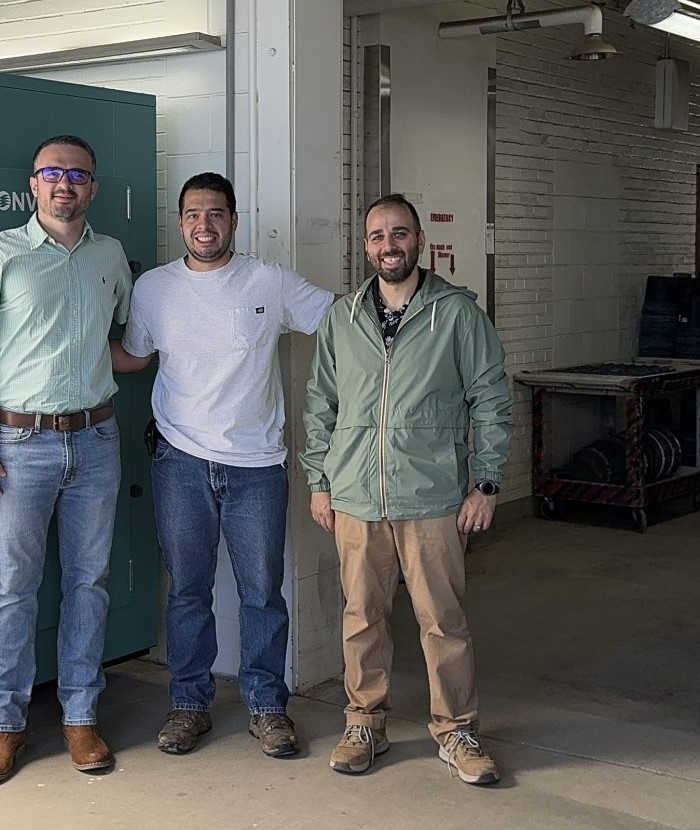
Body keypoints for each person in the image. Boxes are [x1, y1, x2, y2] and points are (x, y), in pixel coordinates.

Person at [112, 172, 334, 759]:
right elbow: (133, 356)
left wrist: (408, 307)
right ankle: (189, 705)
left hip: (257, 465)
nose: (203, 224)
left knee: (262, 591)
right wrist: (66, 344)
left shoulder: (269, 281)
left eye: (215, 213)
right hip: (179, 461)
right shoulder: (154, 288)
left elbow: (339, 320)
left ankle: (267, 706)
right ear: (180, 222)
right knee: (188, 590)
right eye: (192, 214)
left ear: (234, 220)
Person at [301, 193, 513, 785]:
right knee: (361, 617)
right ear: (365, 247)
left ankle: (456, 730)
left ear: (419, 241)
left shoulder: (457, 315)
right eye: (377, 236)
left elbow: (491, 400)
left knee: (442, 620)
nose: (388, 245)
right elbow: (321, 403)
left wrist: (486, 483)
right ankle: (364, 724)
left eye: (399, 233)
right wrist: (320, 481)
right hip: (356, 495)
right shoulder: (342, 319)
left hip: (432, 496)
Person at [0, 134, 134, 783]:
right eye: (53, 173)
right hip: (18, 447)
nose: (65, 185)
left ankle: (81, 717)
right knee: (14, 588)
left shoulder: (110, 255)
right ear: (33, 184)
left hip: (97, 441)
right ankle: (6, 726)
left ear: (93, 188)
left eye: (77, 175)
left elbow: (118, 344)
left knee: (89, 583)